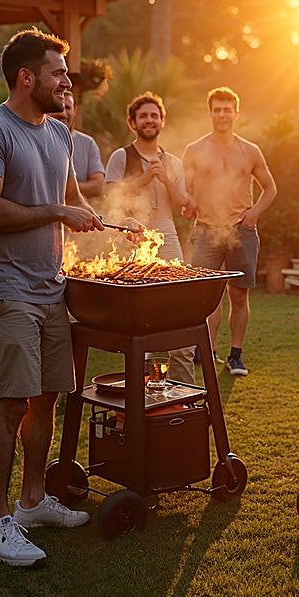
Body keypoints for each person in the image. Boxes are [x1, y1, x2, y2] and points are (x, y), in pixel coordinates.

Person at [0, 27, 117, 568]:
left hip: (51, 288)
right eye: (57, 71)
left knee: (48, 396)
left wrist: (103, 221)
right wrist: (57, 212)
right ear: (26, 77)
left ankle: (31, 500)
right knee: (9, 404)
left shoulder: (58, 134)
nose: (66, 80)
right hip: (3, 291)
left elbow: (69, 197)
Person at [182, 87, 277, 377]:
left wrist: (254, 214)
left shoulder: (249, 150)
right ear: (210, 113)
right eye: (217, 109)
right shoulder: (194, 150)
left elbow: (270, 188)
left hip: (241, 230)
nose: (222, 114)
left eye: (227, 109)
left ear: (236, 113)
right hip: (206, 230)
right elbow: (185, 190)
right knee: (207, 297)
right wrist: (189, 203)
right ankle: (208, 351)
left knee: (238, 296)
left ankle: (235, 356)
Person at [104, 91, 196, 383]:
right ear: (133, 122)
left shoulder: (174, 162)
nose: (149, 120)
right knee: (142, 314)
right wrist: (144, 179)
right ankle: (142, 387)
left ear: (162, 121)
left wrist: (164, 177)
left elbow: (183, 201)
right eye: (143, 115)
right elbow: (110, 199)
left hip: (167, 233)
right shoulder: (121, 156)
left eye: (154, 115)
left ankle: (184, 389)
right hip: (134, 237)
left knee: (181, 305)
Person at [56, 90, 105, 198]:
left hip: (82, 211)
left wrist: (60, 187)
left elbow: (98, 186)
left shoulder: (88, 143)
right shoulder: (40, 140)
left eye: (68, 107)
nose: (63, 113)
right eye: (59, 107)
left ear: (75, 110)